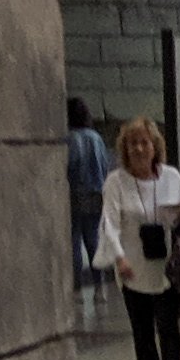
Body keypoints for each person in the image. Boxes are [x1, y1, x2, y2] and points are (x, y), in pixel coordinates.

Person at [95, 114, 180, 360]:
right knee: (143, 333)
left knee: (169, 330)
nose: (139, 149)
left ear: (155, 146)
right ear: (125, 149)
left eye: (144, 142)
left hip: (166, 267)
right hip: (133, 267)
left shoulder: (171, 177)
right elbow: (109, 224)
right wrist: (119, 258)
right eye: (133, 144)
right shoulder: (116, 182)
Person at [65, 98, 109, 285]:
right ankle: (99, 282)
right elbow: (105, 165)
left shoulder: (70, 139)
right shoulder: (96, 138)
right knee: (93, 240)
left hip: (75, 194)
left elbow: (69, 167)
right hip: (96, 194)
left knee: (74, 241)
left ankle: (76, 283)